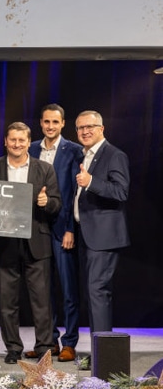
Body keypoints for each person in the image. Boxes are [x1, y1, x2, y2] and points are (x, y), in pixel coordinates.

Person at [0, 122, 61, 364]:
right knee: (7, 303)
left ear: (28, 142)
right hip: (4, 244)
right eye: (13, 140)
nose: (17, 144)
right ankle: (12, 348)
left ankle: (45, 348)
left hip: (37, 243)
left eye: (22, 140)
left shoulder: (45, 169)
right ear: (5, 142)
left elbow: (56, 204)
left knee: (41, 302)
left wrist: (46, 202)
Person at [28, 104, 84, 362]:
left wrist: (71, 228)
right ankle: (48, 341)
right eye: (46, 122)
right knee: (43, 290)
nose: (50, 126)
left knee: (68, 288)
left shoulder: (73, 151)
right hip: (36, 228)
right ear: (41, 123)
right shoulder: (30, 149)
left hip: (63, 229)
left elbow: (76, 193)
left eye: (55, 122)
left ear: (63, 124)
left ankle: (69, 342)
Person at [74, 111, 130, 338]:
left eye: (90, 126)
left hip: (104, 236)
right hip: (86, 233)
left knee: (97, 291)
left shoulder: (114, 155)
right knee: (92, 292)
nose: (85, 131)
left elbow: (120, 191)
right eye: (80, 128)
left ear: (102, 128)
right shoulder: (85, 155)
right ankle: (99, 349)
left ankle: (103, 353)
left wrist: (91, 182)